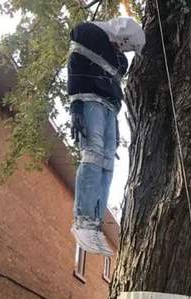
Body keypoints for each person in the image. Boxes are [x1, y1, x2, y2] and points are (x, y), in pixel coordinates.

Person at [67, 17, 145, 255]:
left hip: (110, 108)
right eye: (126, 45)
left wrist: (116, 126)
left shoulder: (119, 60)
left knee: (107, 162)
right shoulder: (87, 34)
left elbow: (114, 86)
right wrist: (76, 107)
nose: (124, 51)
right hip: (89, 101)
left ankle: (95, 222)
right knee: (93, 154)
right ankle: (83, 220)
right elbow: (75, 69)